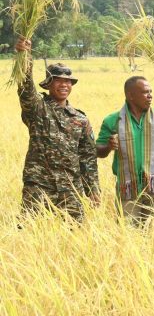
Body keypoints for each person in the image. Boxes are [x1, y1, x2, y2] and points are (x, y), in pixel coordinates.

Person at [14, 38, 99, 222]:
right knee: (30, 234)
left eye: (67, 82)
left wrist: (92, 189)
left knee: (75, 236)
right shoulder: (38, 108)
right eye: (58, 81)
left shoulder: (80, 119)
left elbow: (87, 157)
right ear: (48, 84)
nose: (64, 85)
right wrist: (25, 57)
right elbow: (25, 89)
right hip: (38, 185)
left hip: (70, 188)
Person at [96, 76, 154, 225]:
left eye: (151, 91)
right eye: (145, 92)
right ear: (131, 96)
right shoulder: (113, 120)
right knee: (129, 233)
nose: (150, 95)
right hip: (128, 187)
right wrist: (108, 146)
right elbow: (98, 151)